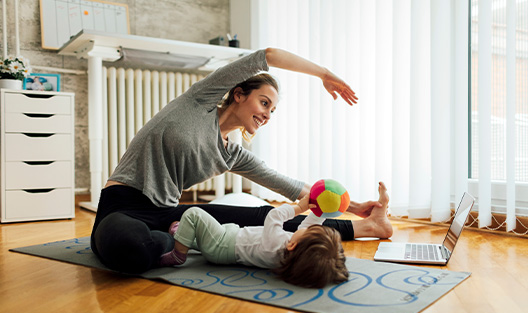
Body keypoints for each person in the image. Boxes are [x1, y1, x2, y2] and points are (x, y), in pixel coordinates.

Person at [90, 48, 393, 274]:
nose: (267, 115)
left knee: (268, 217)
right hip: (122, 206)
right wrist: (324, 74)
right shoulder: (199, 102)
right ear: (238, 94)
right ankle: (169, 242)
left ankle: (369, 228)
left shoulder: (230, 154)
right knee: (130, 248)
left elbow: (293, 188)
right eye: (264, 103)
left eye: (272, 111)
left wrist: (353, 207)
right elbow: (269, 55)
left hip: (169, 213)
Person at [158, 193, 349, 288]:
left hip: (222, 243)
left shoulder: (276, 243)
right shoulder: (290, 252)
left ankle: (178, 254)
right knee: (202, 231)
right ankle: (184, 236)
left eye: (313, 230)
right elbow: (305, 229)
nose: (311, 227)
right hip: (226, 246)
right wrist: (320, 212)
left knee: (193, 214)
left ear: (293, 245)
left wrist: (299, 207)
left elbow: (274, 216)